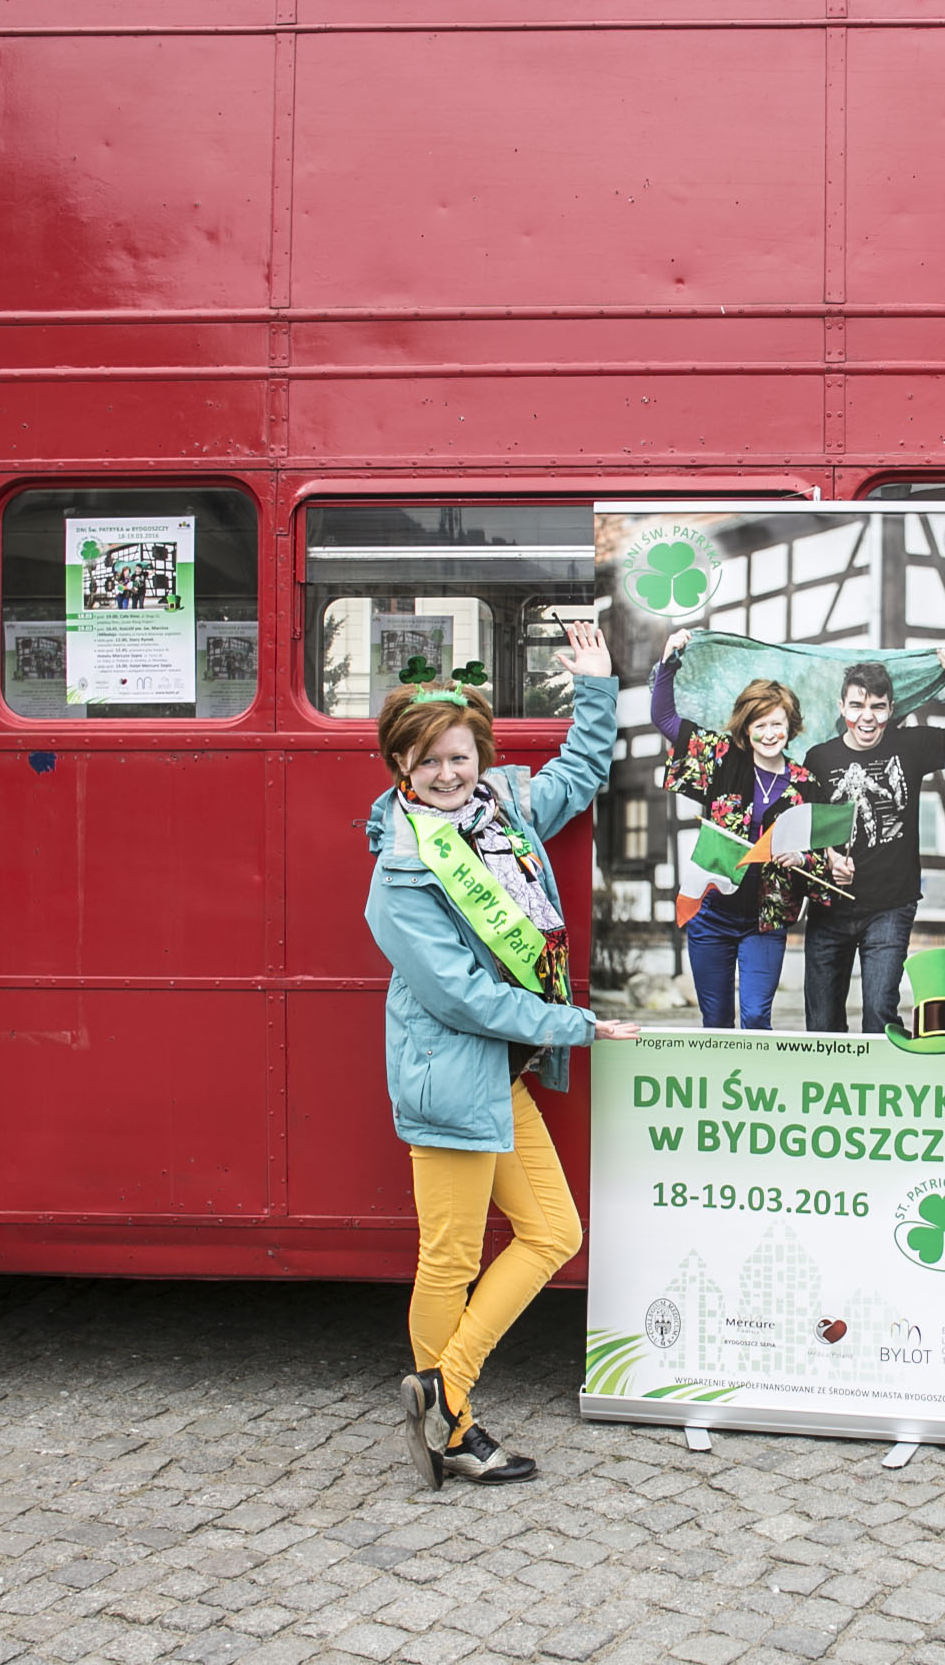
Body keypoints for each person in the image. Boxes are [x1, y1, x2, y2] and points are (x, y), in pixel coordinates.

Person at [363, 622, 638, 1489]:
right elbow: (461, 998)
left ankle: (440, 1387)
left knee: (553, 1232)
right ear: (401, 768)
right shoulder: (401, 874)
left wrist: (596, 686)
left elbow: (580, 772)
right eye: (428, 762)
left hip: (499, 1074)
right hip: (452, 1076)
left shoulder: (504, 812)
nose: (448, 774)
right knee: (449, 1258)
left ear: (478, 754)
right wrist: (577, 1025)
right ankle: (453, 1424)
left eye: (459, 756)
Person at [801, 653, 945, 1034]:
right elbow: (807, 825)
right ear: (842, 707)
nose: (867, 717)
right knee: (822, 1024)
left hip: (890, 908)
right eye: (857, 706)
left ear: (891, 709)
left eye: (878, 707)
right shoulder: (819, 758)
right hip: (829, 910)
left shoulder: (912, 745)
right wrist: (828, 857)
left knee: (880, 1015)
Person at [652, 627, 828, 1029]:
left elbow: (820, 855)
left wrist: (802, 858)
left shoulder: (806, 784)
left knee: (755, 1016)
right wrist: (669, 660)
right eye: (759, 725)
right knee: (715, 1019)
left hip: (766, 919)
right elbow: (663, 718)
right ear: (746, 728)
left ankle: (755, 1073)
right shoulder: (722, 759)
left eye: (777, 724)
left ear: (790, 727)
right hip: (711, 911)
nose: (769, 734)